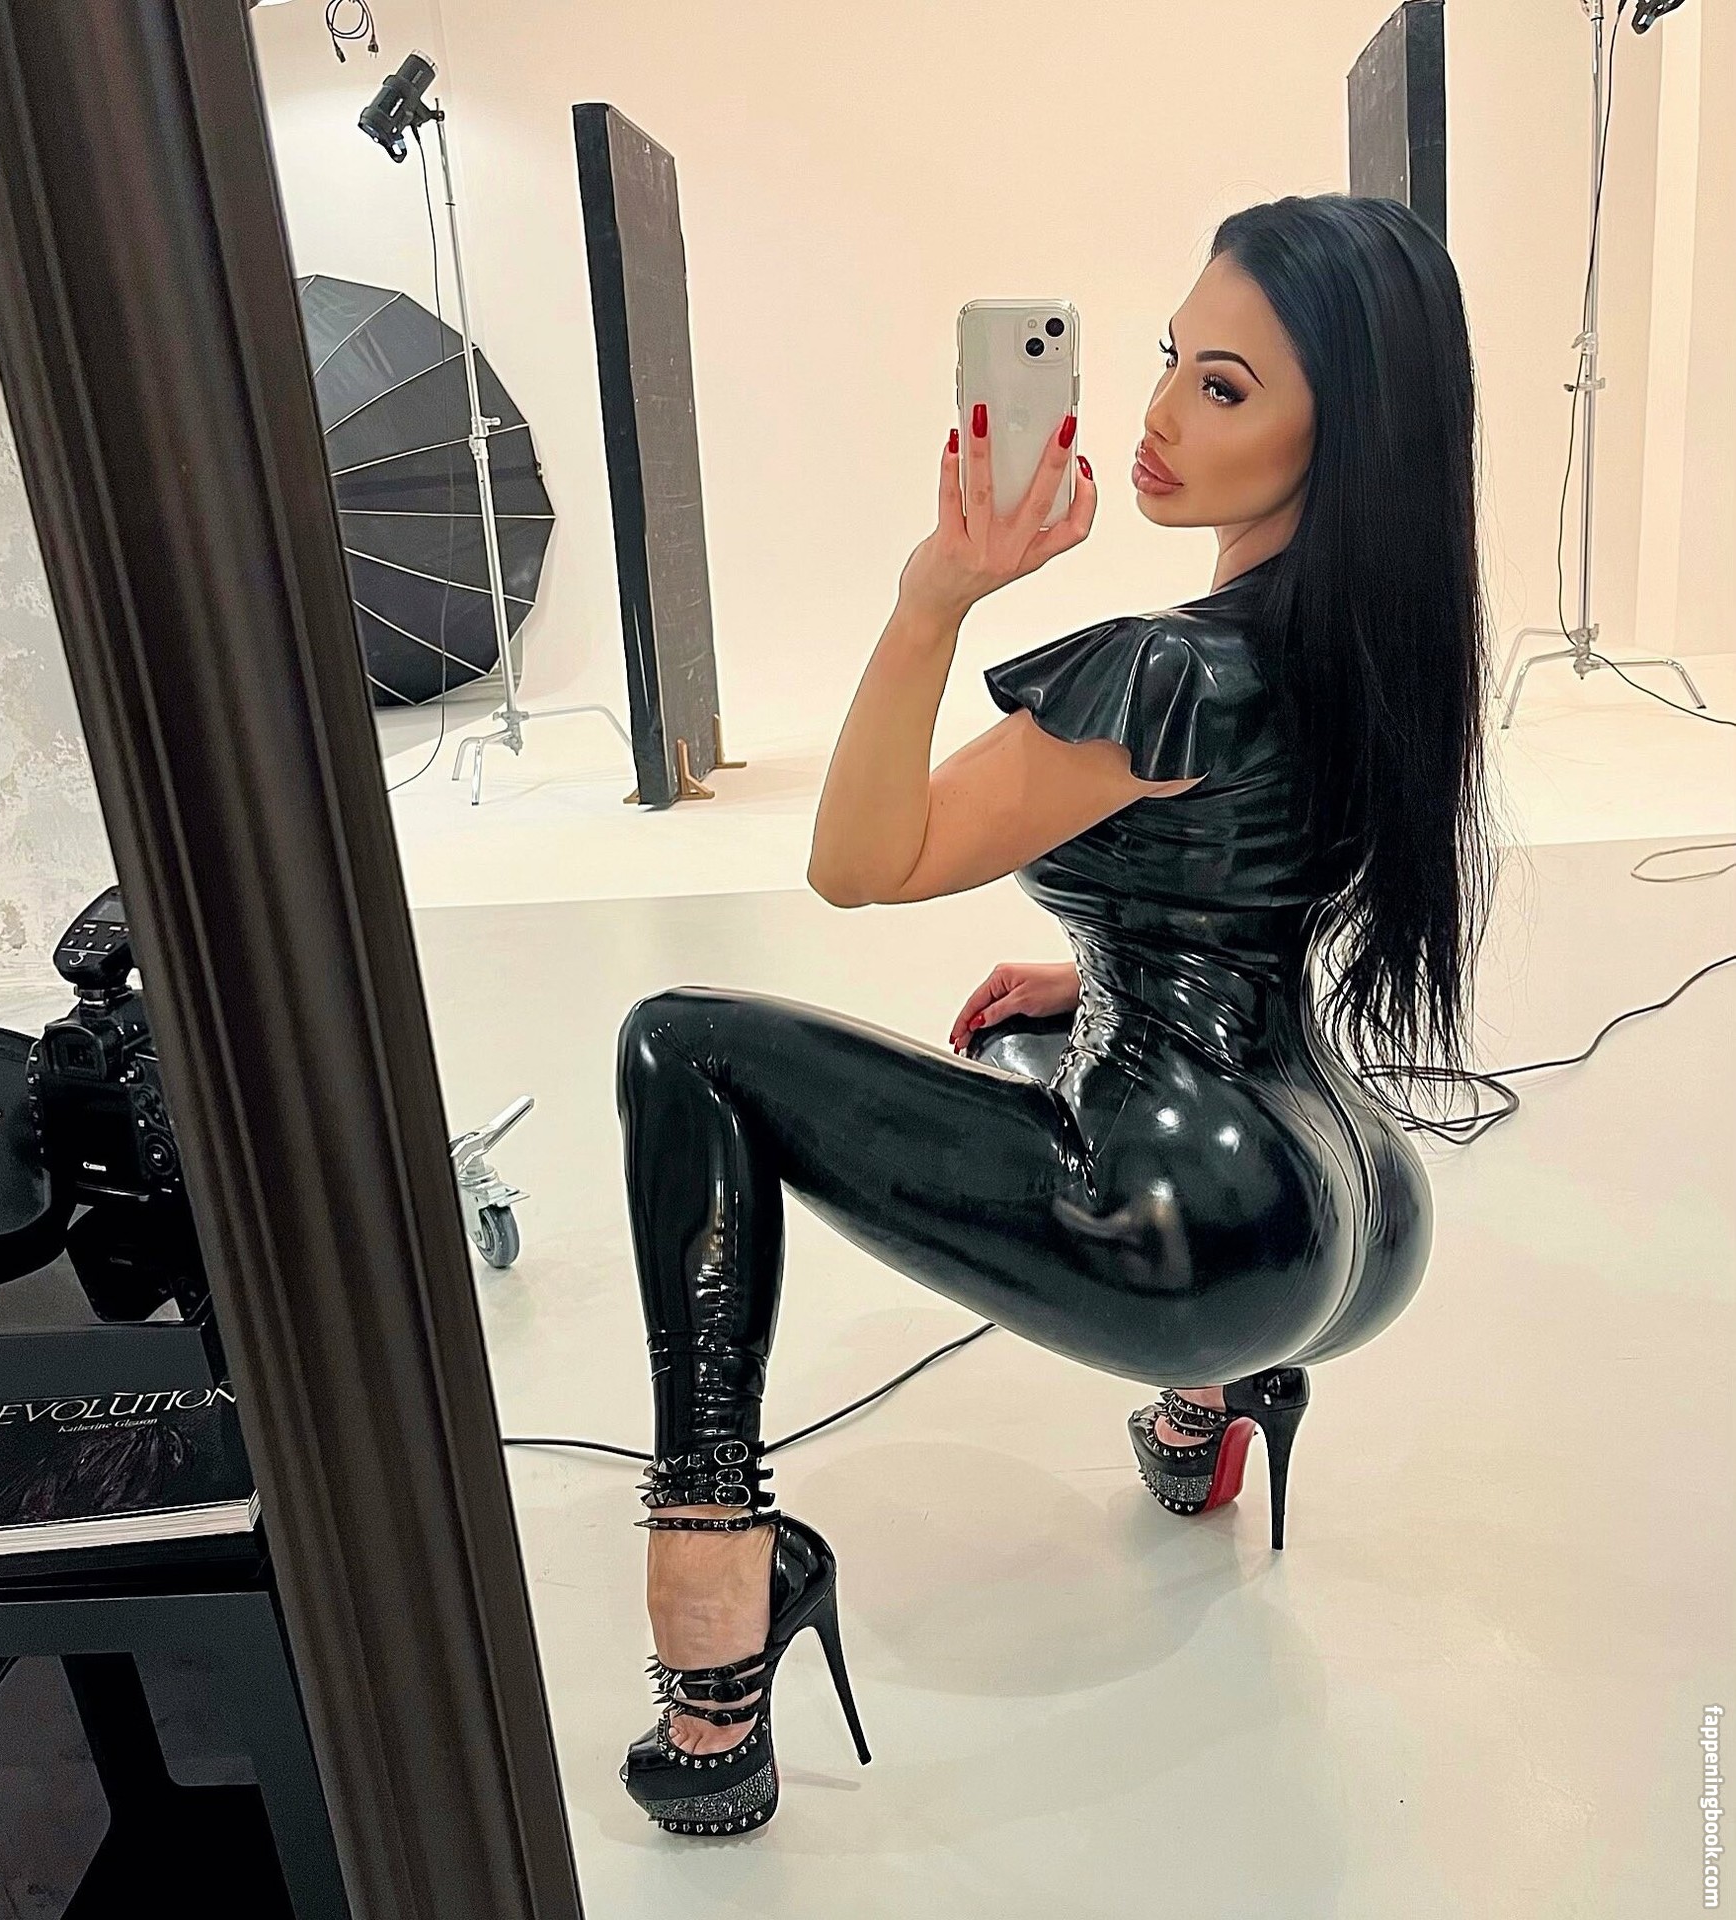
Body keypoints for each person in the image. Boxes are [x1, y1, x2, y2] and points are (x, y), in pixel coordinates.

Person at [615, 192, 1499, 1837]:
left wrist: (935, 596)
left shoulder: (1168, 672)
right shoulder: (1372, 641)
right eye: (1169, 359)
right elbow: (1249, 882)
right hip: (1356, 1213)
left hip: (1181, 1236)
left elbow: (859, 862)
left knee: (682, 1045)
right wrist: (1101, 980)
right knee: (1018, 1030)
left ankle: (712, 1595)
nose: (1157, 416)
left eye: (1224, 388)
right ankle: (1214, 1412)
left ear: (1343, 435)